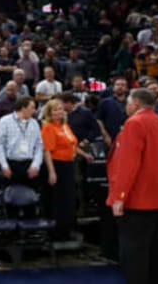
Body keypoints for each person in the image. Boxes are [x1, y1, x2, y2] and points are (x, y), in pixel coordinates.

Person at [107, 88, 158, 284]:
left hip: (138, 200)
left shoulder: (135, 124)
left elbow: (128, 164)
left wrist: (119, 196)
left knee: (134, 255)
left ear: (136, 103)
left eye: (128, 102)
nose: (126, 106)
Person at [40, 98, 93, 241]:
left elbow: (72, 145)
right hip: (56, 165)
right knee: (58, 200)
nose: (58, 112)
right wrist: (52, 172)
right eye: (55, 110)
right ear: (49, 112)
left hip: (69, 165)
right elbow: (47, 151)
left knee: (69, 199)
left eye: (60, 109)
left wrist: (85, 154)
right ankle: (56, 233)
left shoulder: (64, 125)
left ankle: (67, 230)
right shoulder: (48, 127)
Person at [0, 96, 43, 187]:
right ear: (23, 108)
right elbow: (0, 145)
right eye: (32, 107)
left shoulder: (35, 123)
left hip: (29, 165)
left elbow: (39, 146)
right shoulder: (4, 121)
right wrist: (4, 165)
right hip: (11, 164)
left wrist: (36, 165)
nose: (34, 111)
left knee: (30, 198)